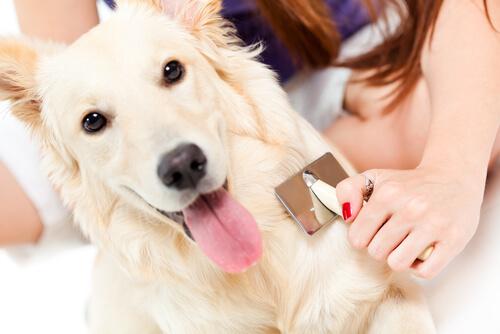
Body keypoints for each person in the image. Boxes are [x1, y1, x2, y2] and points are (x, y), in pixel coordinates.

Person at [1, 0, 499, 284]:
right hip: (147, 85)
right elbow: (70, 75)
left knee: (456, 121)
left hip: (339, 52)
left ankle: (287, 212)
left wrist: (452, 173)